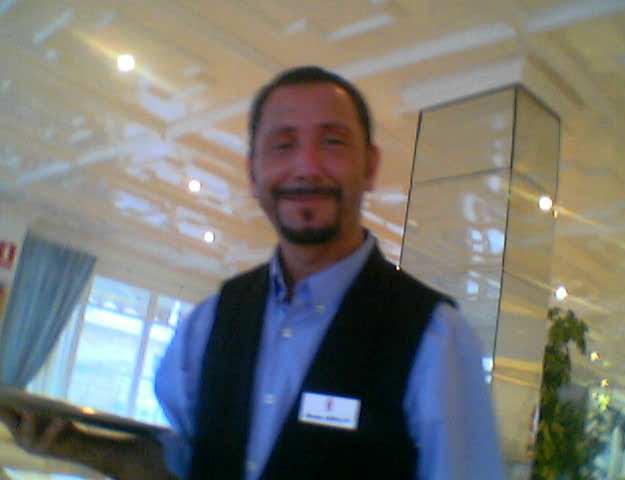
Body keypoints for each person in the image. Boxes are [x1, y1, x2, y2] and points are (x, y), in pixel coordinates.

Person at [0, 66, 504, 479]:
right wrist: (76, 445)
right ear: (252, 172)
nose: (306, 166)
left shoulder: (436, 337)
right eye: (282, 145)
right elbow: (183, 465)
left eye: (333, 142)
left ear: (369, 167)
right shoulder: (208, 322)